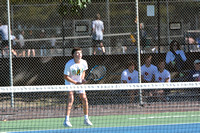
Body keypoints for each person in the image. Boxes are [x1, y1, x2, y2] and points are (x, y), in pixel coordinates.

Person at [63, 47, 93, 127]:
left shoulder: (84, 62)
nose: (79, 54)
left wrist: (82, 79)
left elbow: (83, 71)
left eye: (80, 53)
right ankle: (66, 120)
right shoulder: (69, 64)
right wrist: (75, 83)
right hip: (70, 82)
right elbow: (66, 76)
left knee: (84, 98)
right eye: (77, 53)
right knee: (71, 99)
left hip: (79, 82)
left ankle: (86, 119)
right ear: (73, 55)